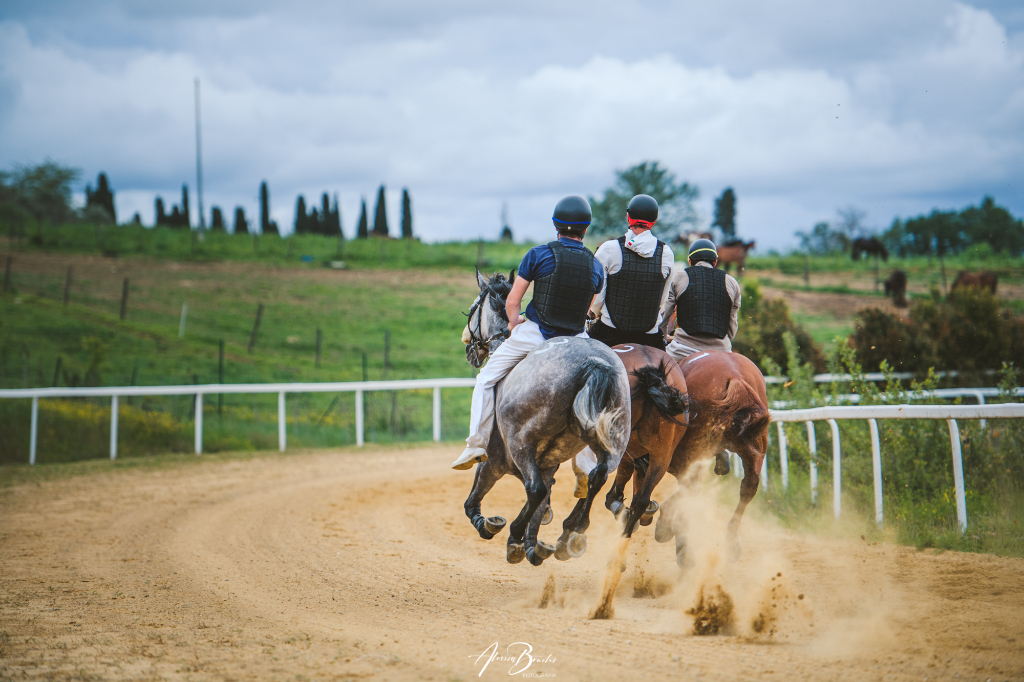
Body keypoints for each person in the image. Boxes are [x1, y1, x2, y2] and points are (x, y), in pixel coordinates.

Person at [452, 195, 605, 470]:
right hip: (576, 339)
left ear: (556, 225)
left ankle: (475, 443)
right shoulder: (596, 266)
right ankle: (586, 464)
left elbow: (513, 302)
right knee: (591, 391)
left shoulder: (538, 254)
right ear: (586, 228)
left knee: (486, 379)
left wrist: (513, 325)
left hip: (536, 332)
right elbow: (589, 306)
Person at [587, 194, 675, 350]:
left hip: (609, 333)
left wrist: (595, 312)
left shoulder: (608, 248)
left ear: (628, 217)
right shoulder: (666, 253)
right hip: (649, 337)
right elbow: (663, 298)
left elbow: (597, 298)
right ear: (654, 221)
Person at [659, 238, 741, 360]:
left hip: (683, 349)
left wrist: (663, 336)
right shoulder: (732, 282)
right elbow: (732, 328)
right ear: (715, 262)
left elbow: (666, 314)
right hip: (722, 350)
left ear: (690, 260)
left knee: (658, 371)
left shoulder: (680, 276)